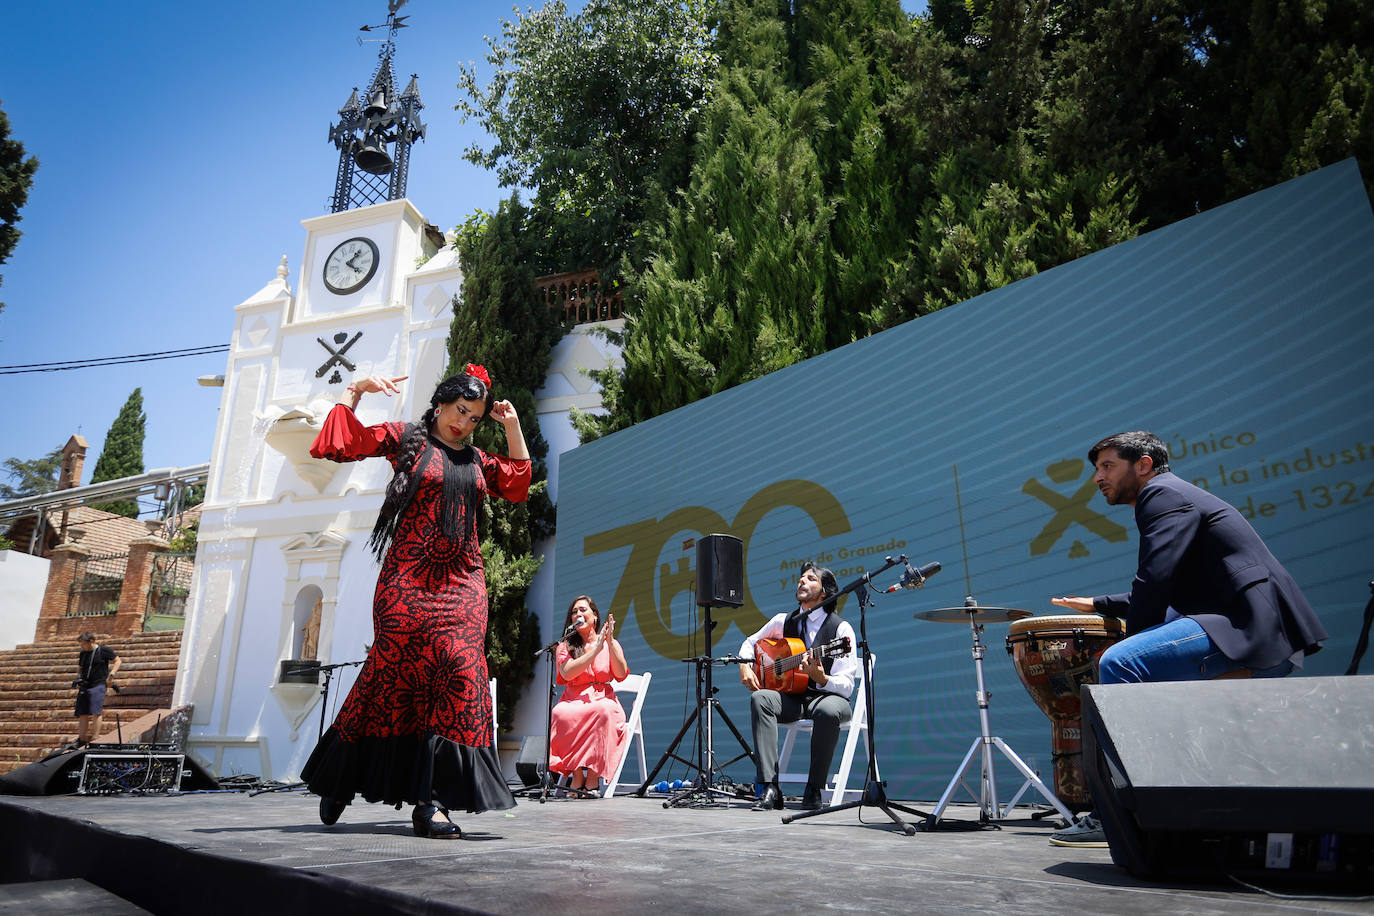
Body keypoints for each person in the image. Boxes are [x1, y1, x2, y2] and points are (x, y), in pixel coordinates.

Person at [1048, 430, 1328, 847]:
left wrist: (1134, 640)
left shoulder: (1160, 494)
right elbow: (1173, 584)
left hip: (1247, 627)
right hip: (1262, 629)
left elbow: (1156, 577)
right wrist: (1100, 603)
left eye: (1107, 466)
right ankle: (1186, 809)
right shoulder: (1175, 494)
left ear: (1143, 464)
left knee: (1120, 663)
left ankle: (1127, 811)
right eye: (1096, 469)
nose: (1097, 479)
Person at [301, 365, 531, 839]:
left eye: (474, 418)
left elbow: (518, 481)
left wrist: (512, 427)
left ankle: (433, 803)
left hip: (462, 585)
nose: (463, 423)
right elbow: (339, 445)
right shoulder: (407, 439)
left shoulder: (477, 461)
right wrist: (354, 391)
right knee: (389, 679)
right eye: (460, 411)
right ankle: (342, 776)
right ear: (441, 403)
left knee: (464, 673)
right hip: (406, 583)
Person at [738, 562, 858, 811]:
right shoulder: (784, 621)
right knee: (761, 699)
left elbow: (846, 687)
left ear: (825, 591)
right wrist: (745, 666)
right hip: (794, 697)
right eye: (801, 577)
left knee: (828, 711)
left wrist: (822, 678)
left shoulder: (840, 629)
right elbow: (750, 642)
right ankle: (770, 786)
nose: (802, 581)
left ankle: (814, 788)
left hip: (828, 698)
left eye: (811, 578)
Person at [547, 595, 630, 796]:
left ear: (595, 616)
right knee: (560, 712)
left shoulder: (611, 643)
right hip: (573, 698)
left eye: (583, 610)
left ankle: (593, 777)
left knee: (602, 710)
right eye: (574, 612)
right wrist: (593, 652)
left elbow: (620, 674)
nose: (578, 614)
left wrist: (608, 643)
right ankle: (577, 776)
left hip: (603, 698)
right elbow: (567, 673)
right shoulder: (565, 646)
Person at [73, 632, 121, 748]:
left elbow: (118, 661)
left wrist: (112, 674)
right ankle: (82, 738)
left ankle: (95, 737)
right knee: (83, 713)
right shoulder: (83, 654)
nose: (82, 647)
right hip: (85, 685)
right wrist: (77, 679)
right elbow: (80, 668)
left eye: (83, 644)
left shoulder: (103, 650)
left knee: (96, 711)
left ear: (91, 641)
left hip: (98, 684)